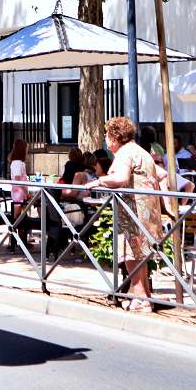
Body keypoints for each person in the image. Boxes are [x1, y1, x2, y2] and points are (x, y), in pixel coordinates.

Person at [84, 117, 161, 313]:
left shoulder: (125, 153)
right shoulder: (141, 152)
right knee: (140, 254)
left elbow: (121, 178)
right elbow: (160, 175)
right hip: (147, 211)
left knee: (131, 255)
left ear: (115, 137)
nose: (105, 139)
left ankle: (140, 299)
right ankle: (145, 297)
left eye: (107, 134)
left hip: (133, 212)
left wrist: (99, 181)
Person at [7, 139, 29, 250]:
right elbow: (17, 179)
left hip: (20, 191)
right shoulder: (17, 164)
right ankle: (13, 240)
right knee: (16, 217)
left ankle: (22, 239)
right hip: (19, 192)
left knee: (22, 217)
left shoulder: (19, 163)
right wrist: (25, 190)